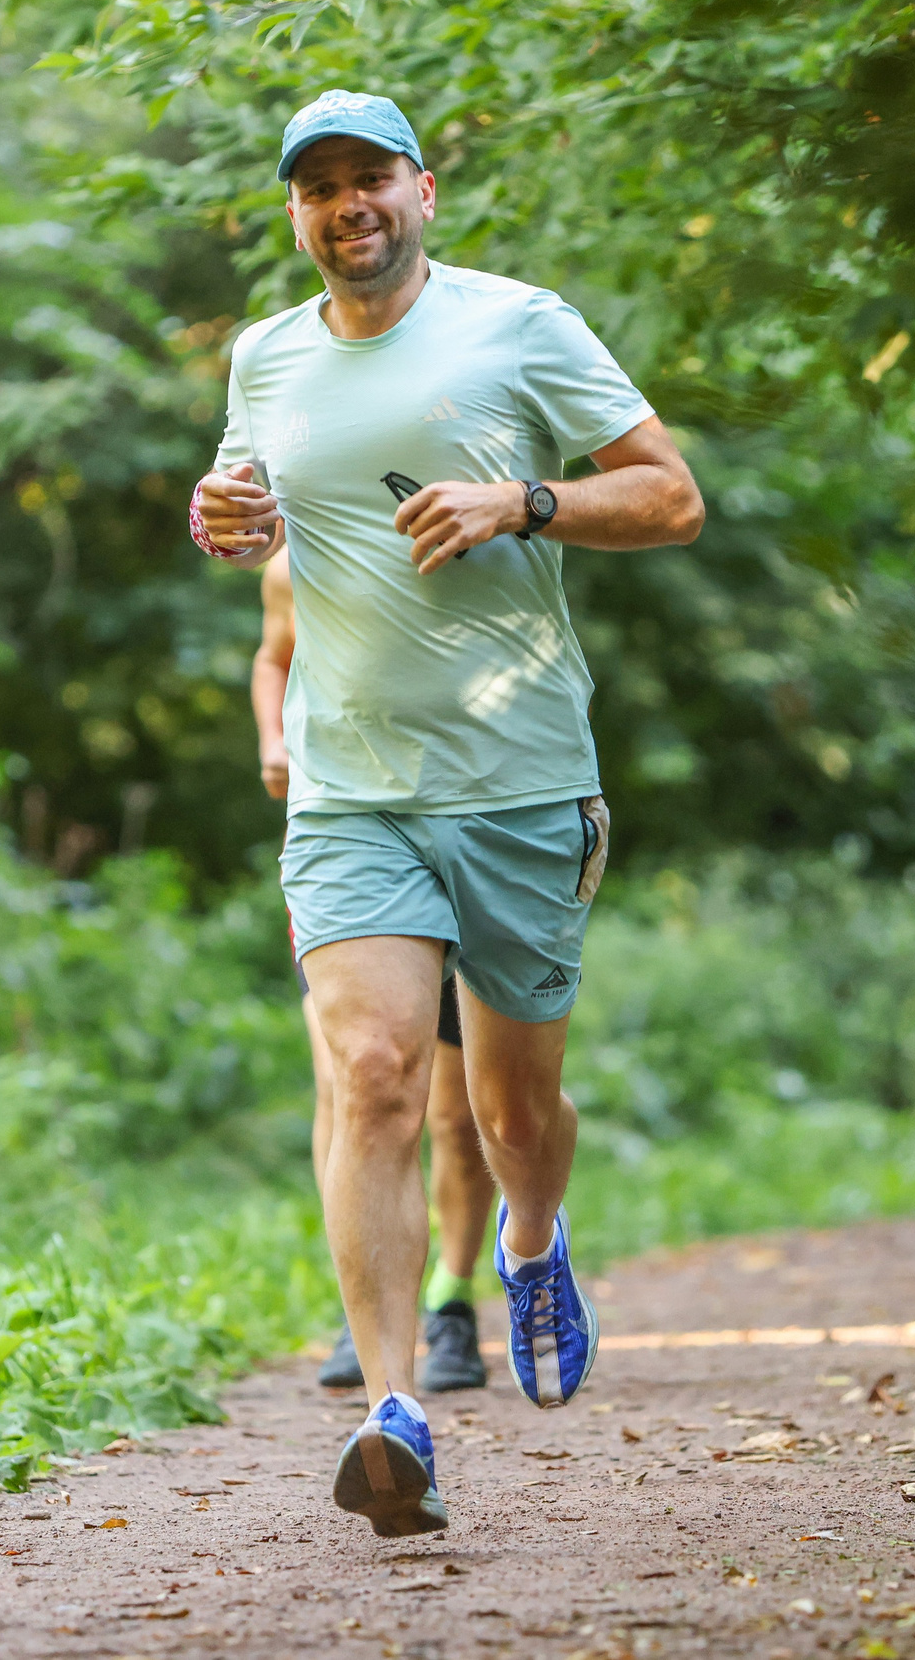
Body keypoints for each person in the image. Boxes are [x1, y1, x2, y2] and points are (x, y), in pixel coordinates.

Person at [191, 89, 705, 1537]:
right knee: (371, 1071)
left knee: (513, 1110)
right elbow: (253, 509)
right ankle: (392, 1408)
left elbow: (671, 498)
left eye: (371, 177)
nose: (346, 205)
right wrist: (229, 522)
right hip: (351, 785)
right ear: (295, 213)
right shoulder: (265, 355)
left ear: (422, 189)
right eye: (319, 187)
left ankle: (531, 1240)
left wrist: (522, 502)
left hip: (520, 779)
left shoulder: (520, 324)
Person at [254, 543, 493, 1396]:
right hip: (348, 849)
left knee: (457, 1115)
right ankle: (368, 1312)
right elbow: (273, 655)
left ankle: (452, 1296)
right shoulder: (294, 562)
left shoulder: (467, 539)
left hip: (468, 835)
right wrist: (273, 739)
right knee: (355, 1082)